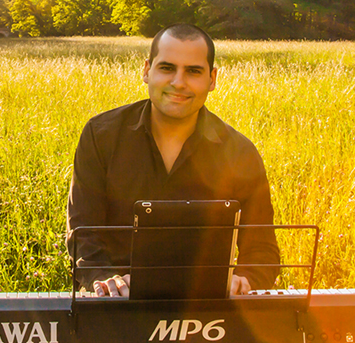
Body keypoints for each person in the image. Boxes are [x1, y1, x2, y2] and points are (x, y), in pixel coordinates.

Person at [66, 23, 281, 298]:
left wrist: (246, 279)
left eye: (193, 71)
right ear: (146, 70)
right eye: (167, 68)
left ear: (212, 79)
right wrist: (105, 279)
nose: (179, 82)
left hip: (209, 311)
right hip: (118, 305)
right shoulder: (101, 135)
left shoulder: (240, 152)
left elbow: (262, 250)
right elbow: (83, 232)